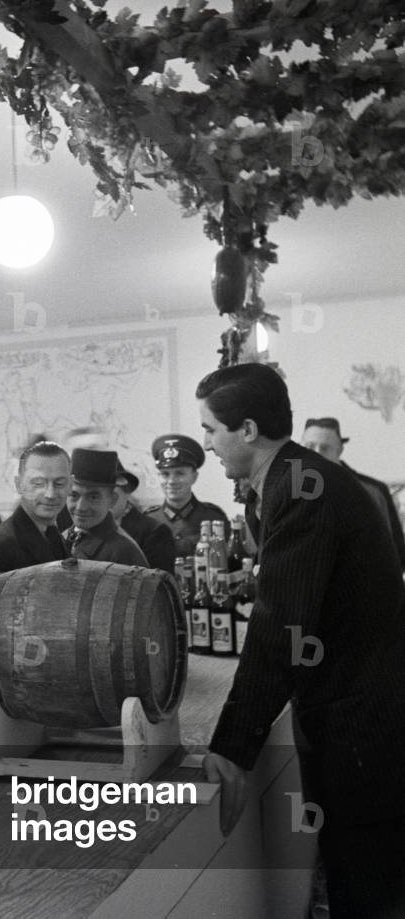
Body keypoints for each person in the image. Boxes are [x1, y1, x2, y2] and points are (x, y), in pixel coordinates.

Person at [196, 363, 405, 919]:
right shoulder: (291, 479)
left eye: (210, 429)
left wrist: (232, 745)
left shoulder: (301, 487)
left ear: (246, 430)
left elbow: (282, 626)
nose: (207, 444)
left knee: (367, 887)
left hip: (363, 723)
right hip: (355, 710)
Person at [302, 416, 405, 569]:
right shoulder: (283, 489)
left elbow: (395, 556)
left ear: (339, 450)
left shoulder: (373, 492)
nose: (316, 454)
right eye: (309, 447)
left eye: (324, 448)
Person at [0, 441, 69, 586]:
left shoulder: (55, 537)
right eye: (38, 483)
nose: (50, 494)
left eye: (59, 483)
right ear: (19, 484)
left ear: (70, 485)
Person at [144, 434, 230, 556]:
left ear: (194, 477)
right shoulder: (149, 521)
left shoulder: (213, 518)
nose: (171, 481)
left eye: (180, 473)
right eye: (165, 474)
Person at [64, 449, 148, 565]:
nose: (80, 507)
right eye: (74, 495)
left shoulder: (124, 552)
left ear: (112, 500)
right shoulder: (63, 538)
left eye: (93, 497)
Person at [112, 461, 175, 573]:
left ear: (127, 491)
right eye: (94, 496)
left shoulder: (154, 533)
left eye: (111, 494)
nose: (103, 501)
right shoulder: (83, 529)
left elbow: (160, 582)